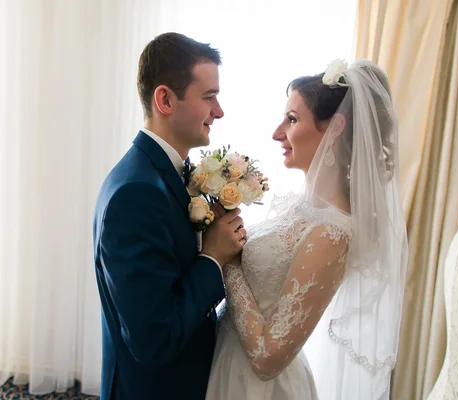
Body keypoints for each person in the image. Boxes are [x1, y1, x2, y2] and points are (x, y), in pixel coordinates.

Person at [205, 59, 408, 400]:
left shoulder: (334, 233)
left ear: (335, 126)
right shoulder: (296, 208)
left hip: (257, 388)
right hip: (224, 364)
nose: (277, 133)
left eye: (292, 119)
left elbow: (268, 358)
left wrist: (227, 262)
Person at [92, 32, 246, 400]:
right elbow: (153, 338)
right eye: (209, 97)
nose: (219, 111)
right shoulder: (136, 194)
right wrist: (213, 257)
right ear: (165, 99)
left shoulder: (168, 174)